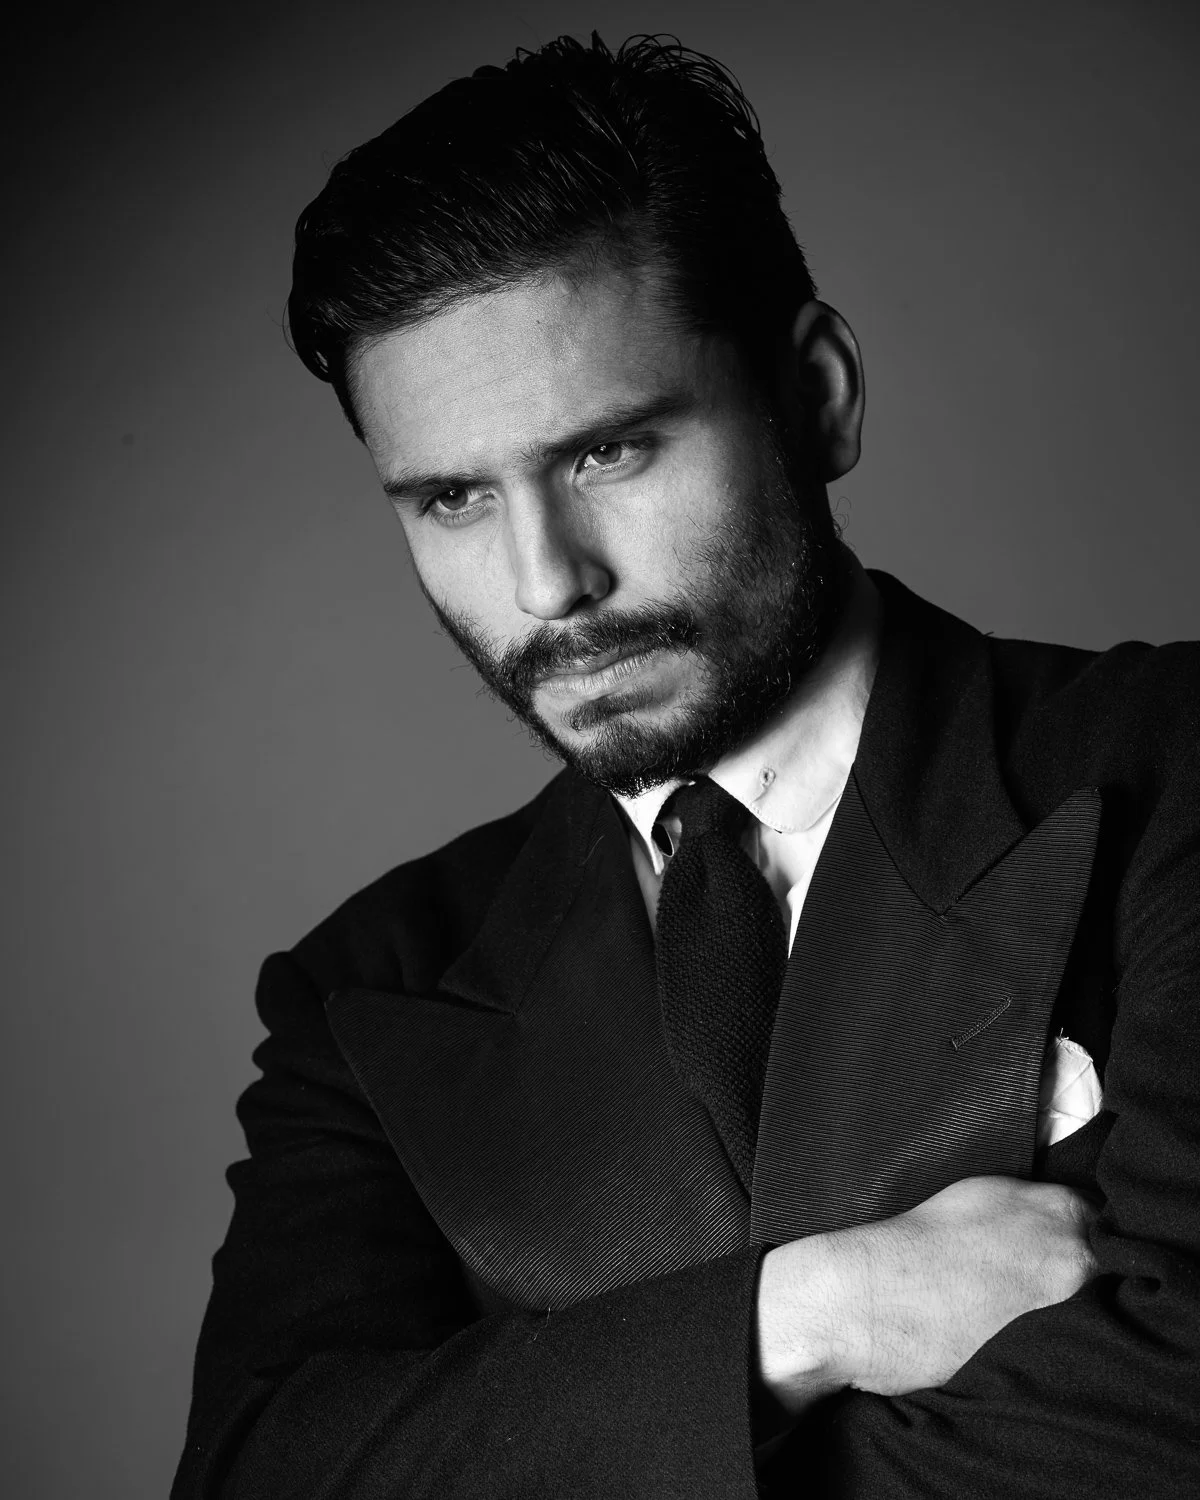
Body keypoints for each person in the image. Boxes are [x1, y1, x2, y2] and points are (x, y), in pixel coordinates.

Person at [171, 33, 1200, 1499]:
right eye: (454, 497)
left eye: (609, 454)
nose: (546, 585)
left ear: (819, 396)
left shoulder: (1171, 766)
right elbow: (260, 1474)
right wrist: (811, 1314)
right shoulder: (365, 993)